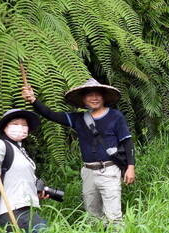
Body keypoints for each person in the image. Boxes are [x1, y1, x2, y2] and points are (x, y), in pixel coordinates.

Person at [22, 79, 135, 225]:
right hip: (88, 172)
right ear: (83, 99)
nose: (94, 98)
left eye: (98, 95)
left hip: (109, 170)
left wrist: (130, 167)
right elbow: (51, 115)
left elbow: (127, 141)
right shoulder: (78, 119)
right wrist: (33, 100)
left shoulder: (115, 116)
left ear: (104, 97)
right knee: (92, 213)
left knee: (113, 215)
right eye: (89, 95)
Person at [0, 109, 49, 233]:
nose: (20, 127)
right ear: (5, 128)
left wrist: (36, 191)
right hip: (12, 208)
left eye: (24, 124)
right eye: (15, 123)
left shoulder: (21, 150)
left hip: (24, 208)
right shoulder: (0, 145)